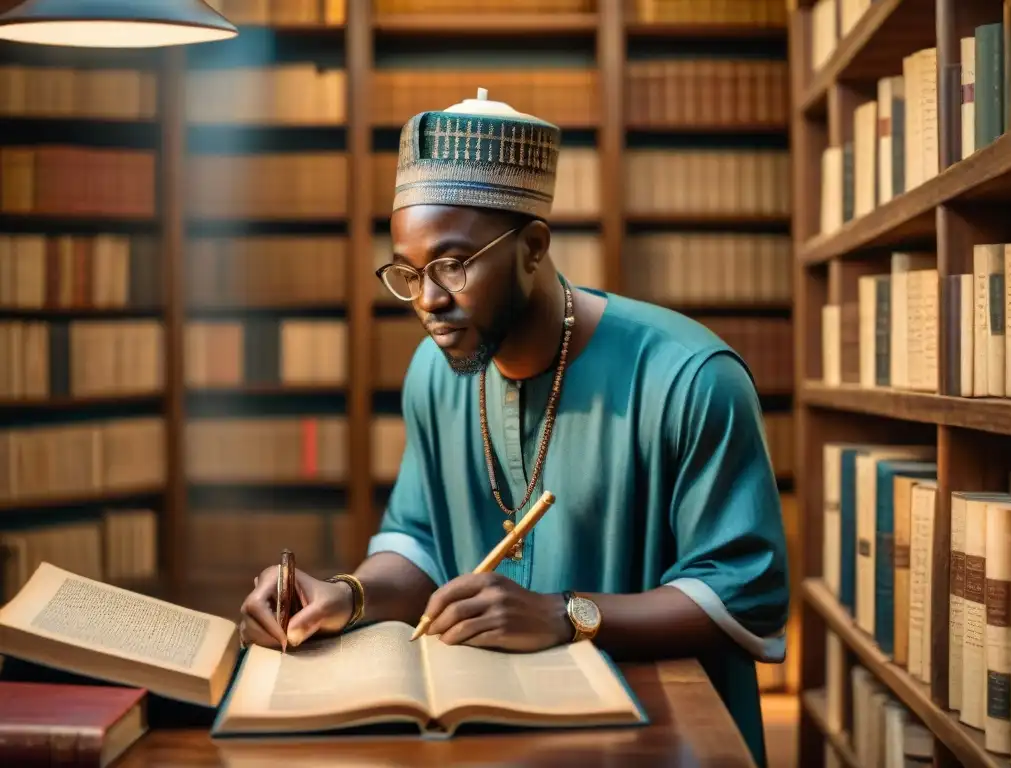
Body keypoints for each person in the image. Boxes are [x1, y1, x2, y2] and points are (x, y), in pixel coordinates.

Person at [239, 88, 790, 767]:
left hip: (657, 737)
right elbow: (417, 543)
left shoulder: (690, 377)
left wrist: (564, 615)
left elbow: (745, 595)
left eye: (452, 264)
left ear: (533, 247)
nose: (428, 301)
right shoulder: (434, 373)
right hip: (492, 743)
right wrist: (347, 596)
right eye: (408, 274)